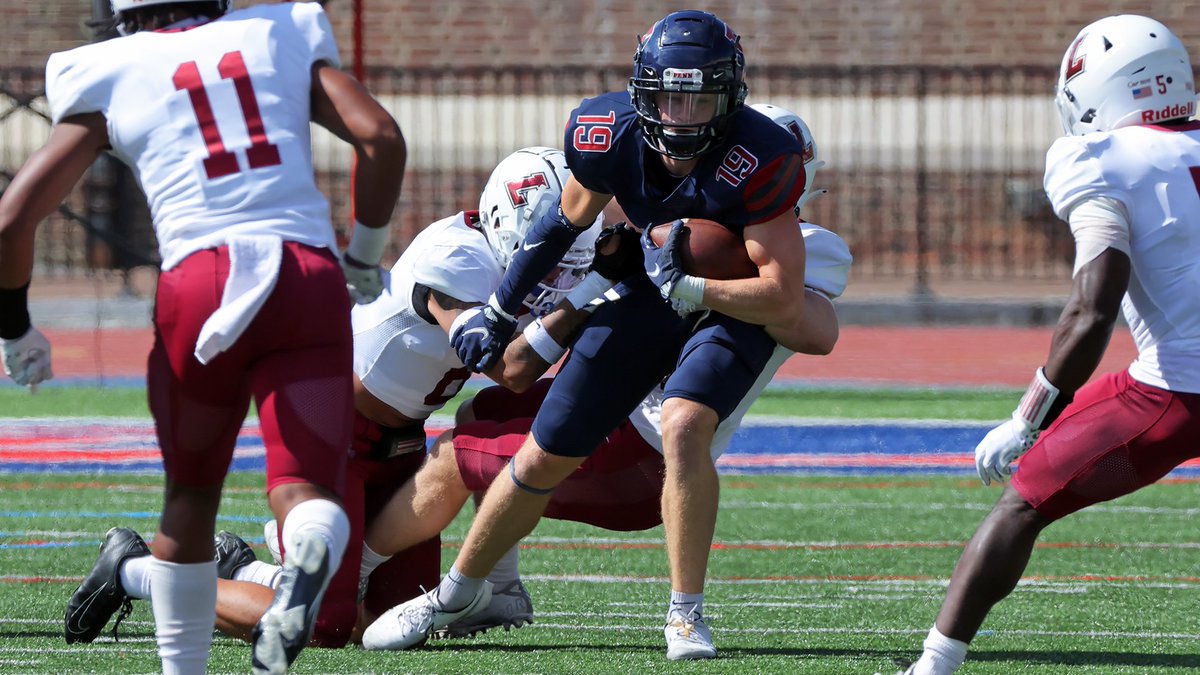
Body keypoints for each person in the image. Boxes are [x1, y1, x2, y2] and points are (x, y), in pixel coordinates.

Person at [378, 4, 825, 649]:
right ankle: (456, 594)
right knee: (545, 448)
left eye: (701, 100)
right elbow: (559, 224)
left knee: (686, 422)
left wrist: (695, 285)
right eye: (670, 101)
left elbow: (782, 295)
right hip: (649, 291)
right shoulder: (605, 128)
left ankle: (685, 613)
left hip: (729, 302)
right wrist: (502, 312)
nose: (684, 117)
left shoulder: (764, 155)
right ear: (643, 93)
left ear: (730, 98)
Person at [0, 2, 405, 674]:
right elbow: (381, 136)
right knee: (304, 489)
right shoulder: (276, 33)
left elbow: (12, 219)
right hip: (304, 273)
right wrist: (363, 257)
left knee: (189, 502)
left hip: (200, 282)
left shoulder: (111, 68)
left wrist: (14, 327)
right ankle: (309, 538)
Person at [902, 15, 1200, 675]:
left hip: (1176, 391)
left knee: (1024, 499)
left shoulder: (1102, 161)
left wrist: (1027, 417)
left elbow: (1092, 310)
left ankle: (933, 666)